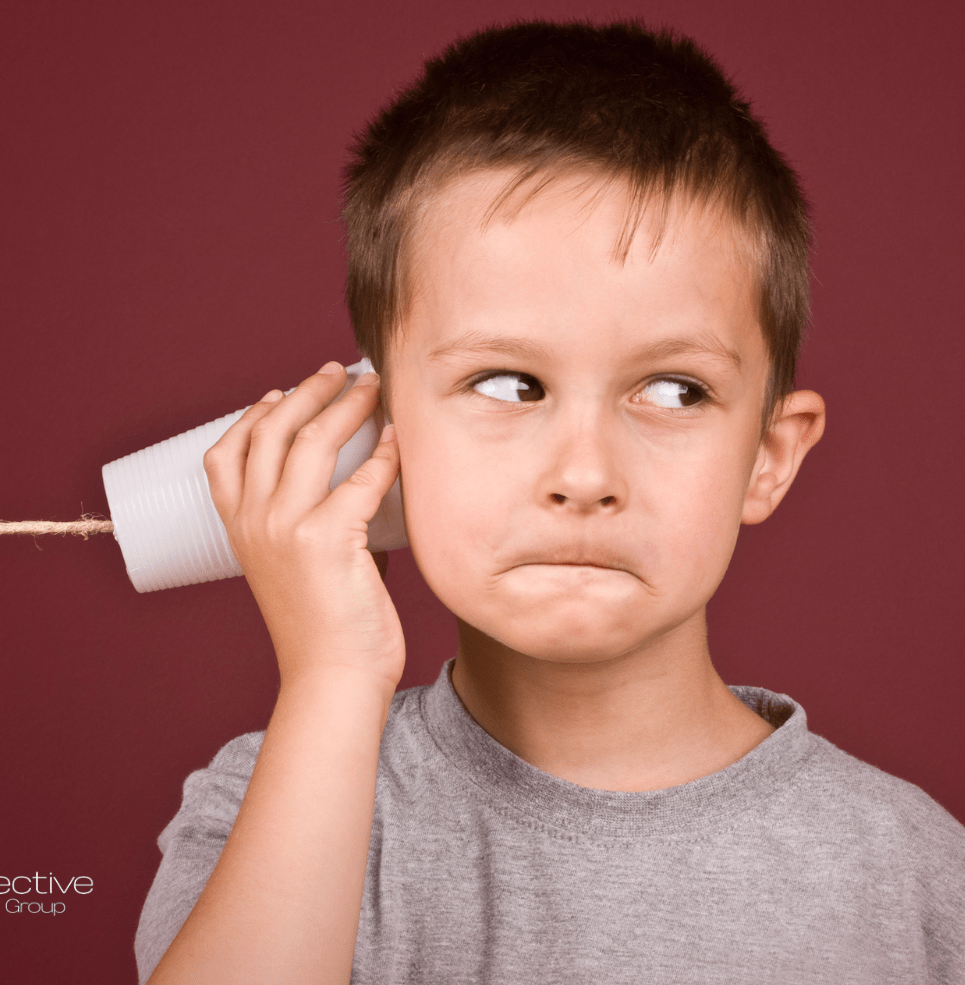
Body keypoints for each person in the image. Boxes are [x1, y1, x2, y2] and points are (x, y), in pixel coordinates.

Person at [135, 19, 965, 984]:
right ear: (377, 438)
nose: (583, 472)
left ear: (766, 459)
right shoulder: (278, 803)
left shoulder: (914, 877)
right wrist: (330, 673)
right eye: (506, 383)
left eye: (671, 390)